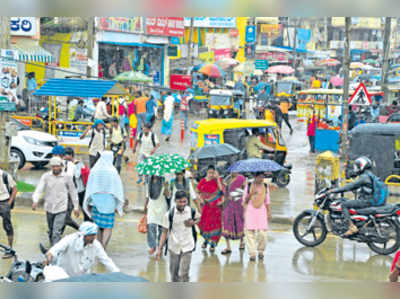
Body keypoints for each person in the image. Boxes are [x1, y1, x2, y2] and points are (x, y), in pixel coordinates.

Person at [43, 222, 119, 277]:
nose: (93, 237)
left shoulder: (96, 245)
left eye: (94, 235)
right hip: (64, 275)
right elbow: (56, 249)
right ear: (84, 235)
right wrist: (49, 255)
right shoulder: (70, 239)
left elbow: (106, 260)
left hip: (82, 277)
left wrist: (118, 273)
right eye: (91, 235)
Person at [32, 157, 80, 246]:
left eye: (57, 166)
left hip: (62, 208)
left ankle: (55, 252)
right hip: (49, 207)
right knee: (51, 231)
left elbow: (73, 192)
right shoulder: (46, 176)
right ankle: (53, 248)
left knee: (56, 232)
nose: (55, 168)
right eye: (53, 167)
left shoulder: (67, 177)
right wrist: (35, 200)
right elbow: (39, 189)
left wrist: (76, 207)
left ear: (61, 166)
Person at [155, 191, 200, 282]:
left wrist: (193, 222)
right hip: (174, 246)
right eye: (180, 202)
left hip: (188, 246)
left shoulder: (191, 211)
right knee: (174, 275)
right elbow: (164, 232)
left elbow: (199, 218)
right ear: (175, 201)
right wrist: (159, 249)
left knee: (184, 273)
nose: (183, 204)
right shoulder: (169, 215)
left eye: (185, 201)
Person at [83, 151, 124, 249]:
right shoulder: (113, 171)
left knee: (97, 225)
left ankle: (98, 247)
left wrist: (87, 202)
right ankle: (104, 246)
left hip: (96, 201)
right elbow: (118, 189)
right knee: (108, 226)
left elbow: (90, 186)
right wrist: (119, 204)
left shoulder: (94, 170)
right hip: (109, 202)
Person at [325, 156, 375, 236]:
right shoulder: (368, 175)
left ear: (362, 166)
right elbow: (358, 186)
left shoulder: (364, 177)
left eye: (357, 166)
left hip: (366, 201)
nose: (356, 168)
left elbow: (350, 186)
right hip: (369, 199)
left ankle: (351, 227)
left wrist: (334, 190)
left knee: (344, 205)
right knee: (344, 199)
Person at [243, 172, 271, 262]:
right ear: (255, 177)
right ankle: (252, 253)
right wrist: (251, 194)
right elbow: (245, 200)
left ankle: (261, 250)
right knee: (249, 233)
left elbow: (267, 200)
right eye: (259, 177)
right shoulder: (249, 185)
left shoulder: (265, 186)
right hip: (250, 211)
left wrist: (268, 211)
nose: (261, 179)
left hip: (261, 211)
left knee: (263, 233)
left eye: (262, 177)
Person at [197, 165, 224, 252]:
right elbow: (197, 192)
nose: (211, 174)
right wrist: (200, 199)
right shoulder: (203, 181)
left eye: (213, 173)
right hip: (206, 206)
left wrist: (218, 178)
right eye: (210, 173)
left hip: (216, 207)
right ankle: (206, 240)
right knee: (205, 224)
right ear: (207, 172)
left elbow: (221, 190)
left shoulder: (217, 181)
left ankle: (213, 244)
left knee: (215, 225)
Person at [144, 175, 169, 256]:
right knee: (150, 225)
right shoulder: (148, 181)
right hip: (152, 206)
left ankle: (160, 247)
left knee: (162, 228)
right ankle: (152, 246)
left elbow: (168, 195)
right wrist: (145, 206)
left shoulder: (164, 180)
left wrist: (166, 188)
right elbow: (147, 195)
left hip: (162, 206)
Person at [221, 172, 246, 255]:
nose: (233, 172)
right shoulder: (227, 179)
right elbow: (223, 191)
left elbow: (245, 191)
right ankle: (228, 247)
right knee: (227, 223)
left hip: (239, 204)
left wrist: (236, 195)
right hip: (228, 204)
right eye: (232, 170)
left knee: (239, 223)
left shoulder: (242, 178)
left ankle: (242, 242)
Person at [0, 168, 17, 258]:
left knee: (7, 225)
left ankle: (10, 249)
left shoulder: (5, 175)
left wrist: (9, 203)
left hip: (4, 202)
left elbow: (14, 189)